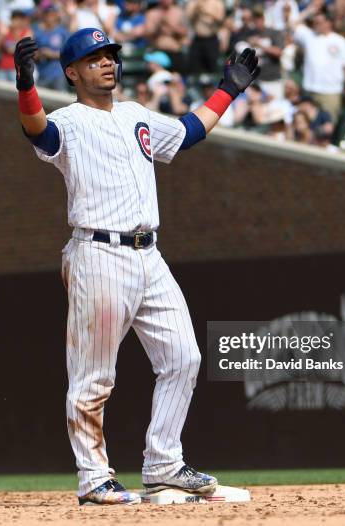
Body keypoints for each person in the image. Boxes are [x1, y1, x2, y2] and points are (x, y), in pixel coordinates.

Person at [13, 28, 260, 505]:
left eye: (110, 55)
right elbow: (37, 131)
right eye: (93, 58)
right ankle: (94, 478)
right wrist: (25, 86)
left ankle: (164, 463)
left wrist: (228, 89)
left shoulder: (135, 115)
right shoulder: (68, 120)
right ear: (72, 72)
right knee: (94, 376)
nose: (107, 63)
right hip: (99, 253)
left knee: (184, 357)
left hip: (150, 254)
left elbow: (189, 132)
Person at [292, 3, 345, 125]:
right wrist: (308, 12)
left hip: (331, 91)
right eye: (315, 22)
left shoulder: (340, 41)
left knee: (328, 126)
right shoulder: (309, 36)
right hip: (310, 89)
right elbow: (293, 24)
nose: (316, 25)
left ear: (328, 23)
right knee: (307, 125)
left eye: (319, 22)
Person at [230, 5, 285, 101]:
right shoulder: (247, 34)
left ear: (264, 18)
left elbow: (279, 52)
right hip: (254, 82)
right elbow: (238, 48)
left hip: (272, 80)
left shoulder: (274, 33)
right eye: (254, 18)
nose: (257, 21)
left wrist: (259, 44)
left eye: (259, 17)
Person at [144, 0, 189, 74]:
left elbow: (185, 33)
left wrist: (168, 24)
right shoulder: (152, 13)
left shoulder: (179, 12)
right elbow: (147, 34)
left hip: (176, 52)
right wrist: (157, 25)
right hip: (159, 53)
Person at [34, 4, 70, 90]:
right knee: (39, 101)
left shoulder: (63, 32)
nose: (50, 17)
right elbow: (34, 54)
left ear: (57, 15)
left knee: (60, 101)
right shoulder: (38, 33)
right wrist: (40, 54)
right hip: (43, 73)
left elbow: (68, 53)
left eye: (52, 14)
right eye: (47, 14)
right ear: (44, 16)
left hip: (58, 73)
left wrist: (51, 54)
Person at [186, 0, 225, 74]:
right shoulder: (194, 3)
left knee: (212, 68)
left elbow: (220, 19)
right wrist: (196, 10)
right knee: (193, 68)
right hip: (197, 40)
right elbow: (188, 18)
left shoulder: (217, 3)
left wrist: (206, 12)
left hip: (211, 40)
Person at [0, 10, 32, 82]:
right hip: (2, 67)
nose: (13, 21)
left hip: (17, 70)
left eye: (16, 19)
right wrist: (2, 35)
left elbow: (18, 50)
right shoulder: (6, 32)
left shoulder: (27, 32)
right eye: (12, 19)